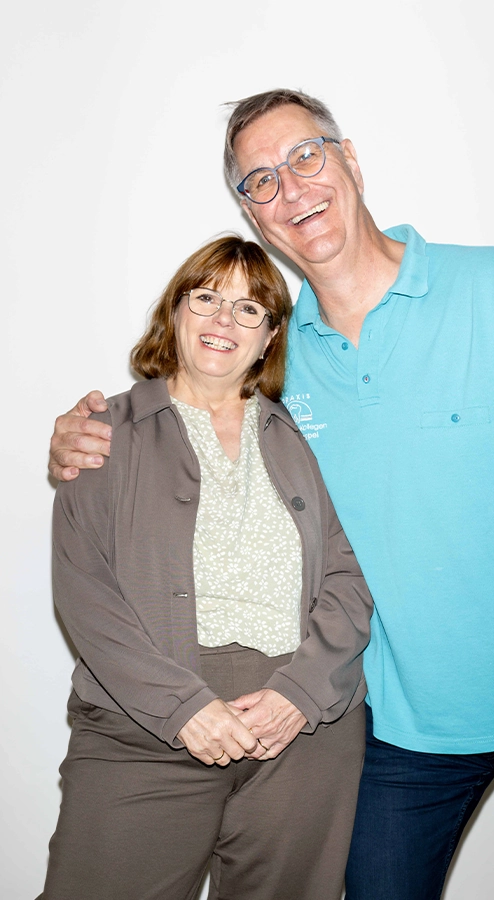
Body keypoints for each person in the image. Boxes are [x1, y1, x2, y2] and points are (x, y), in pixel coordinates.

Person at [49, 89, 494, 899]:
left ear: (351, 161)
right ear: (252, 212)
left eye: (305, 156)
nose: (291, 188)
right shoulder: (274, 368)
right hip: (403, 735)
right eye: (260, 180)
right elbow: (185, 422)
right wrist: (81, 435)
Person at [40, 233, 372, 900]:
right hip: (142, 731)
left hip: (300, 734)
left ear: (270, 336)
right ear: (176, 310)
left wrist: (301, 693)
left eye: (250, 309)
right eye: (207, 298)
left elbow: (349, 580)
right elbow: (86, 593)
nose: (225, 320)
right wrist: (182, 707)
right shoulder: (105, 431)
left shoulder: (308, 437)